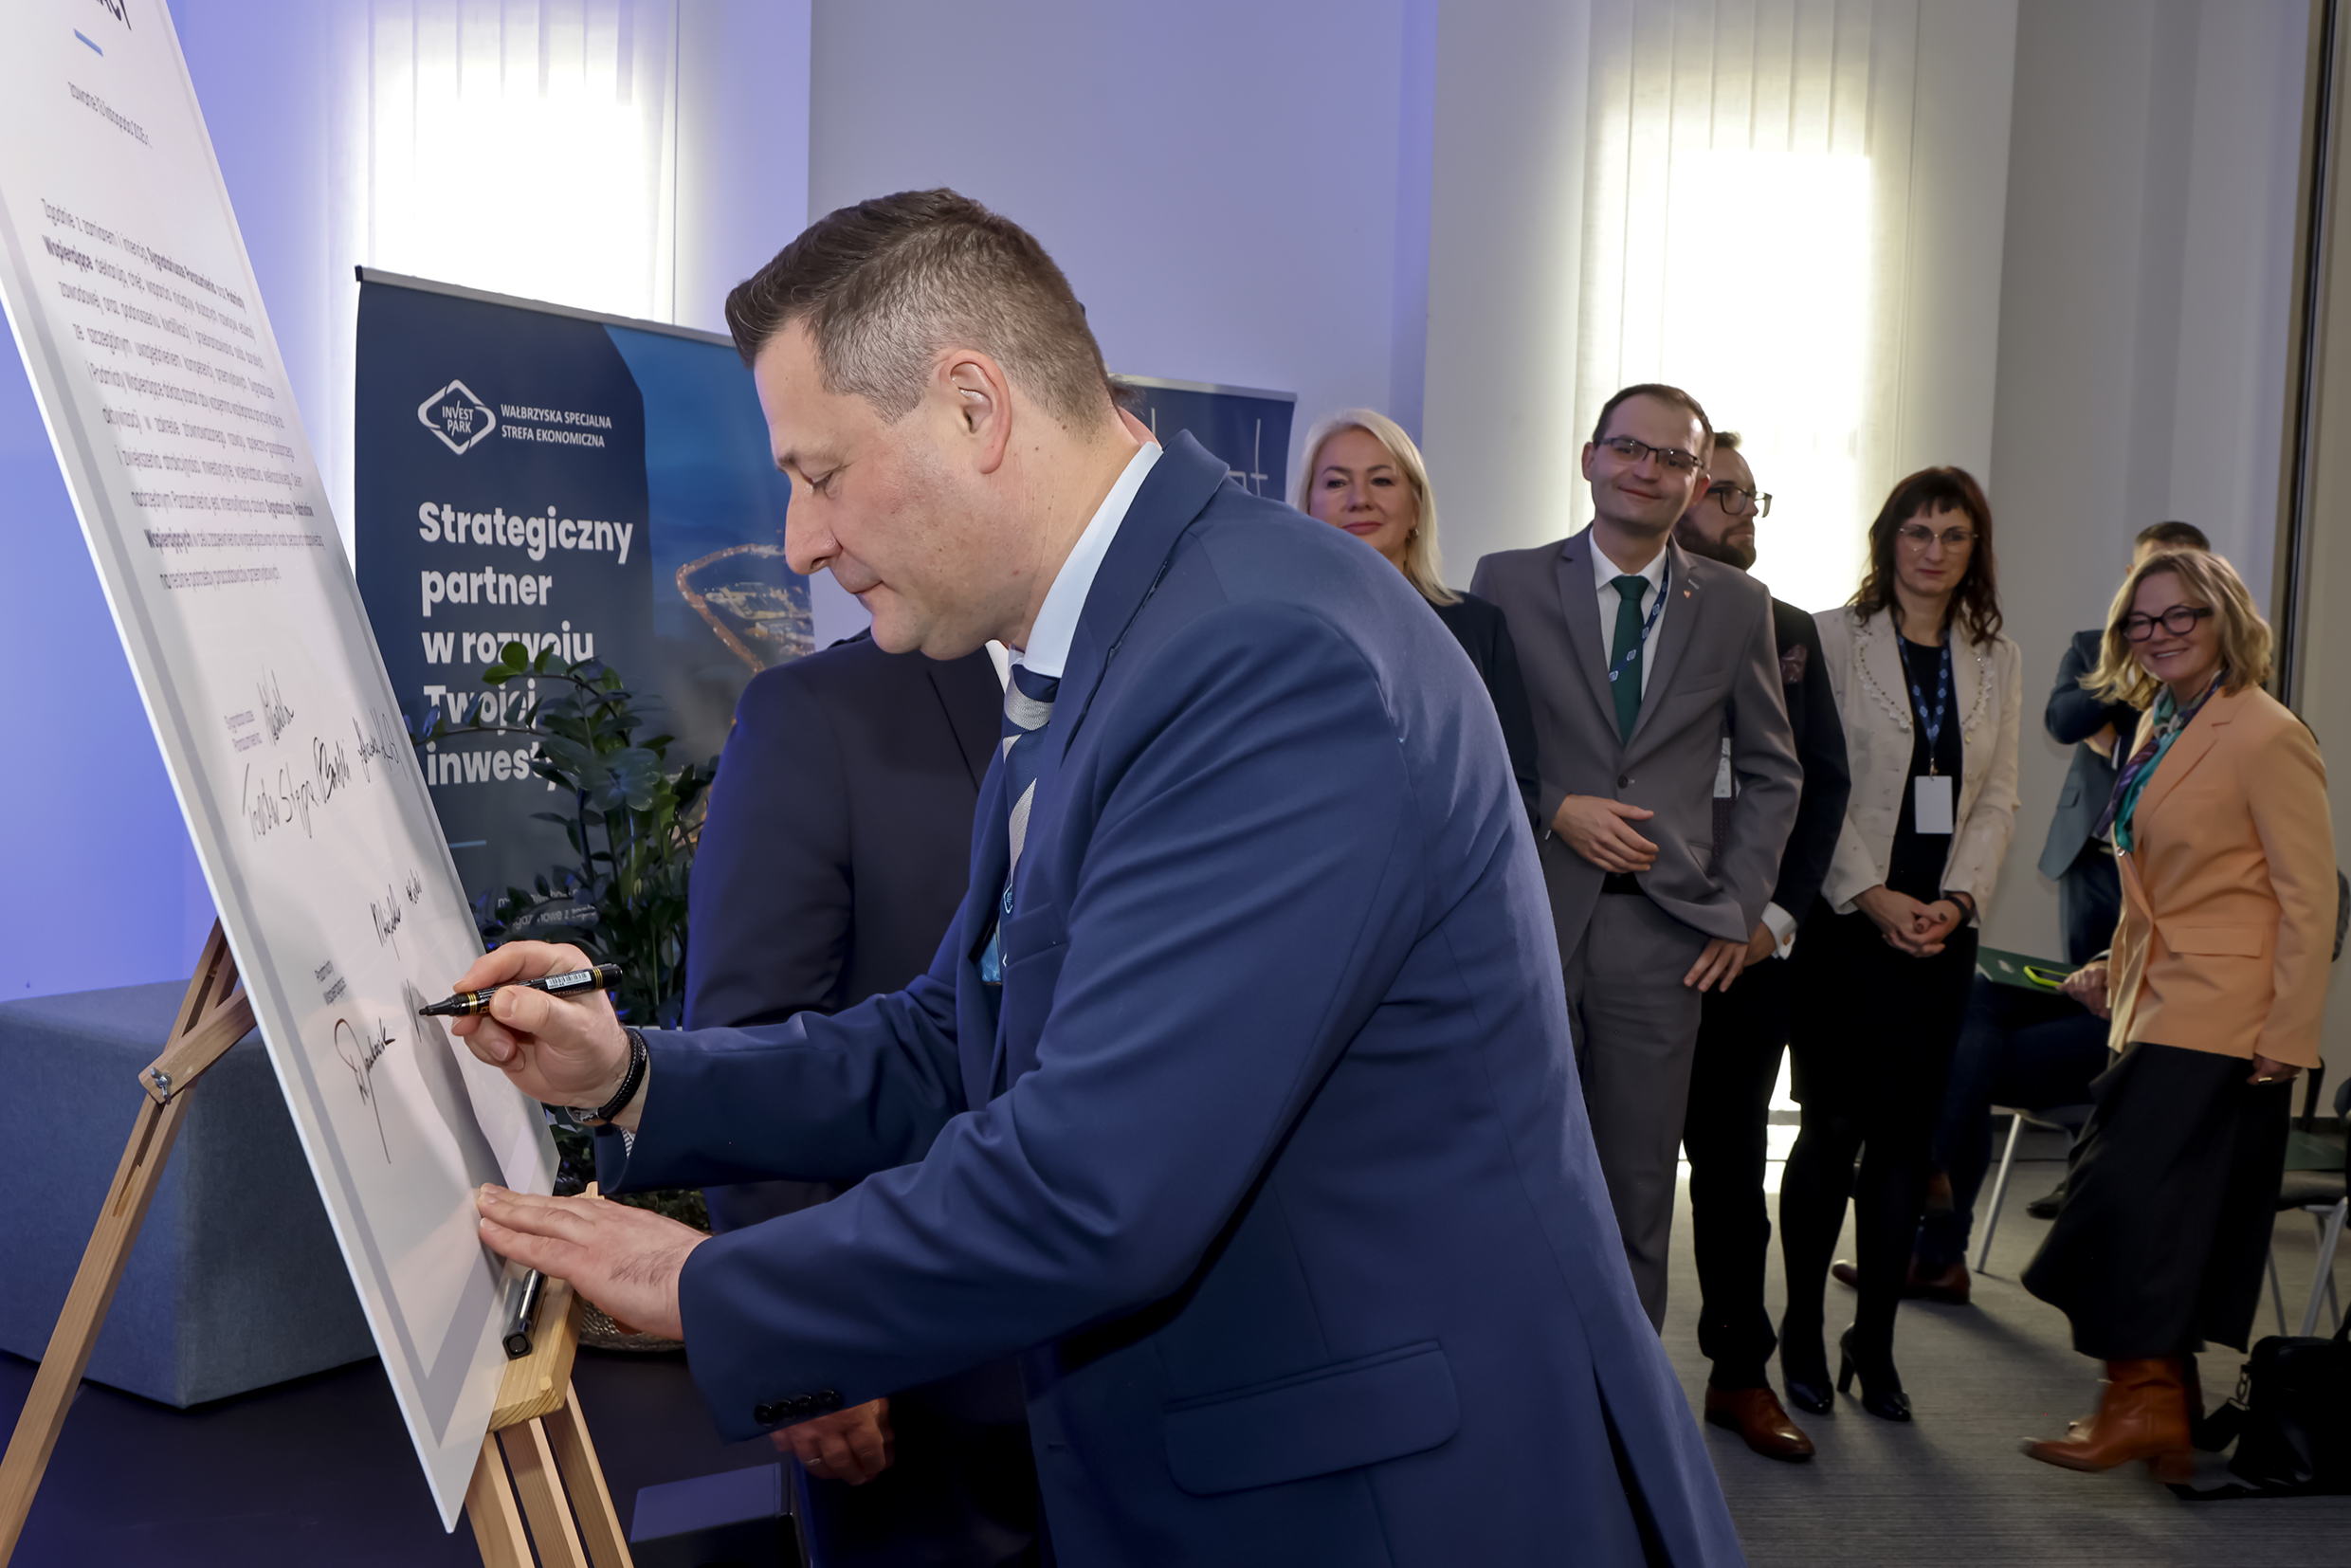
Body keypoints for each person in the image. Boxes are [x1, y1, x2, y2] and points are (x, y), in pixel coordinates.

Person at [448, 191, 1743, 1565]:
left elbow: (1094, 1185)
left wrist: (708, 1280)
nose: (799, 541)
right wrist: (635, 1074)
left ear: (973, 409)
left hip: (1385, 1509)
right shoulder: (1124, 638)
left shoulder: (1261, 656)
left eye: (818, 474)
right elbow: (959, 1034)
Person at [686, 629, 1040, 1565]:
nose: (807, 555)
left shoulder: (1158, 675)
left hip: (1155, 1398)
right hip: (921, 1399)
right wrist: (804, 1343)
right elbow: (751, 1037)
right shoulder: (811, 712)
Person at [1472, 383, 1802, 1327]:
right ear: (1589, 457)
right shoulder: (1505, 582)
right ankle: (1520, 1387)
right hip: (1529, 924)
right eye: (1626, 448)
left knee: (1637, 1192)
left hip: (1662, 943)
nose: (1645, 470)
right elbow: (1474, 745)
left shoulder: (1736, 604)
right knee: (1511, 1173)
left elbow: (1773, 773)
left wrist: (1740, 909)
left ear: (1696, 482)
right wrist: (1556, 808)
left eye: (1671, 458)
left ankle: (1622, 1405)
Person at [2021, 548, 2334, 1481]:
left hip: (2228, 1011)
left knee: (2121, 1197)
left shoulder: (2265, 732)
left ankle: (2140, 1396)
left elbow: (2308, 898)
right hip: (2157, 996)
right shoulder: (2157, 719)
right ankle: (2165, 1403)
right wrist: (2109, 968)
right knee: (2169, 1209)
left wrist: (2287, 1034)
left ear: (2223, 618)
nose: (2157, 635)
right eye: (2140, 621)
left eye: (2179, 616)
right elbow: (2161, 887)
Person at [1778, 466, 2021, 1422]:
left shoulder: (1995, 657)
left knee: (1905, 1142)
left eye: (1953, 535)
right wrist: (1868, 894)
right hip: (1845, 928)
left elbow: (1997, 797)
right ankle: (1803, 1329)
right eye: (1917, 531)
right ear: (1888, 540)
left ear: (1974, 550)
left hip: (1937, 936)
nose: (1933, 550)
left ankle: (1871, 1342)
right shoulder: (1831, 639)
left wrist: (1955, 903)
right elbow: (1810, 780)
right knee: (1833, 1129)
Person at [1669, 432, 1850, 1460]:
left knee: (1735, 1175)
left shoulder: (1785, 629)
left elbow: (1820, 783)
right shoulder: (1613, 614)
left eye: (1751, 497)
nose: (1742, 513)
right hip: (1623, 934)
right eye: (1724, 494)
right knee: (1600, 1167)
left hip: (1747, 952)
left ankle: (1739, 1373)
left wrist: (1775, 919)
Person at [1297, 408, 1539, 826]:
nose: (1359, 499)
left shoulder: (1480, 628)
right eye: (1336, 482)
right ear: (1307, 508)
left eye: (1382, 480)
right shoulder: (1276, 629)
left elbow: (1516, 790)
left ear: (1416, 508)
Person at [2035, 521, 2211, 965]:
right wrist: (2124, 665)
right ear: (2132, 575)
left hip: (2168, 858)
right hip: (2091, 854)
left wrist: (2118, 749)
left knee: (2151, 985)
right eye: (2152, 571)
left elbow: (2197, 748)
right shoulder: (2092, 646)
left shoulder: (2212, 657)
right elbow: (2062, 722)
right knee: (2085, 986)